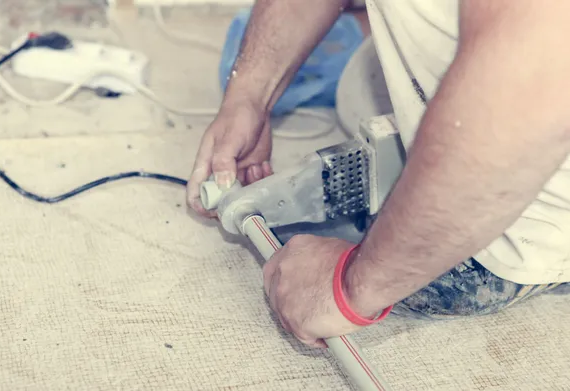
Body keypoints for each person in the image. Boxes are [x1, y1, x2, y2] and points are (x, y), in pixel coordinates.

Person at [186, 0, 570, 348]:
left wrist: (353, 288)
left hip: (532, 193)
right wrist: (250, 94)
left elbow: (524, 104)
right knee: (358, 85)